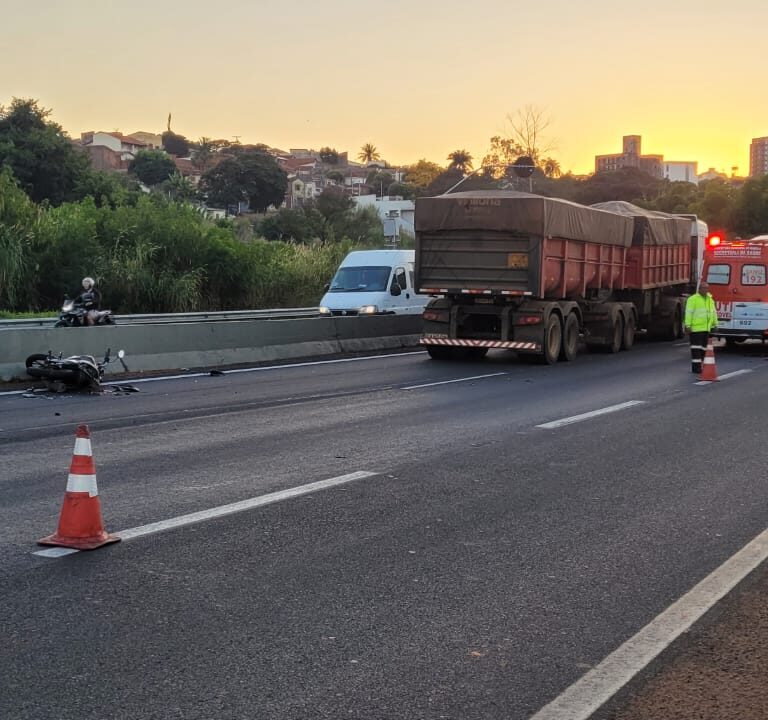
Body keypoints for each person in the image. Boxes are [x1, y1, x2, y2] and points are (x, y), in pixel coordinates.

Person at [684, 281, 717, 373]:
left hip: (706, 329)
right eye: (703, 288)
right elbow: (688, 313)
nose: (705, 290)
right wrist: (688, 325)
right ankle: (696, 368)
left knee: (703, 349)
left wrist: (715, 324)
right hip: (696, 329)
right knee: (696, 349)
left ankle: (700, 366)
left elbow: (713, 313)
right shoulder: (693, 299)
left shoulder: (710, 300)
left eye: (706, 288)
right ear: (699, 289)